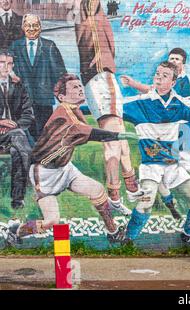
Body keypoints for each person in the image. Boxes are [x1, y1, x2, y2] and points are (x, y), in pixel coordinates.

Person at [5, 73, 139, 247]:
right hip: (44, 173)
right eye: (74, 87)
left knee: (97, 190)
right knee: (51, 221)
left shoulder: (74, 109)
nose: (80, 89)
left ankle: (113, 232)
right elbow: (89, 132)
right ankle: (17, 230)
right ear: (61, 97)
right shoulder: (63, 114)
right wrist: (119, 135)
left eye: (80, 86)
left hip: (65, 168)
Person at [121, 61, 190, 248]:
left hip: (173, 166)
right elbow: (108, 108)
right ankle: (128, 240)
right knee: (144, 205)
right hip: (151, 167)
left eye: (164, 75)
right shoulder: (139, 103)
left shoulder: (178, 104)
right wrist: (76, 108)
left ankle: (188, 234)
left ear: (173, 82)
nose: (158, 77)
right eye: (157, 73)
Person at [73, 0, 139, 213]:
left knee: (120, 138)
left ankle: (130, 186)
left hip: (100, 77)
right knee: (113, 142)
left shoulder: (88, 17)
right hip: (101, 77)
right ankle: (115, 195)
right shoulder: (89, 16)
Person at [9, 14, 67, 140]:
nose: (31, 28)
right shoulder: (15, 46)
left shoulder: (49, 46)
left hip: (43, 100)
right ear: (23, 27)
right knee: (25, 137)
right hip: (22, 102)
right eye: (28, 25)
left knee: (44, 135)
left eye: (35, 25)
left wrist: (59, 94)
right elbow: (8, 70)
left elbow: (60, 74)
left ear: (40, 27)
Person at [0, 49, 33, 210]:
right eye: (2, 63)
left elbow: (28, 115)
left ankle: (17, 200)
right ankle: (33, 182)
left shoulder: (19, 87)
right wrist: (2, 122)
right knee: (22, 145)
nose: (6, 67)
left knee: (17, 152)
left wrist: (14, 126)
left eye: (10, 63)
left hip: (13, 135)